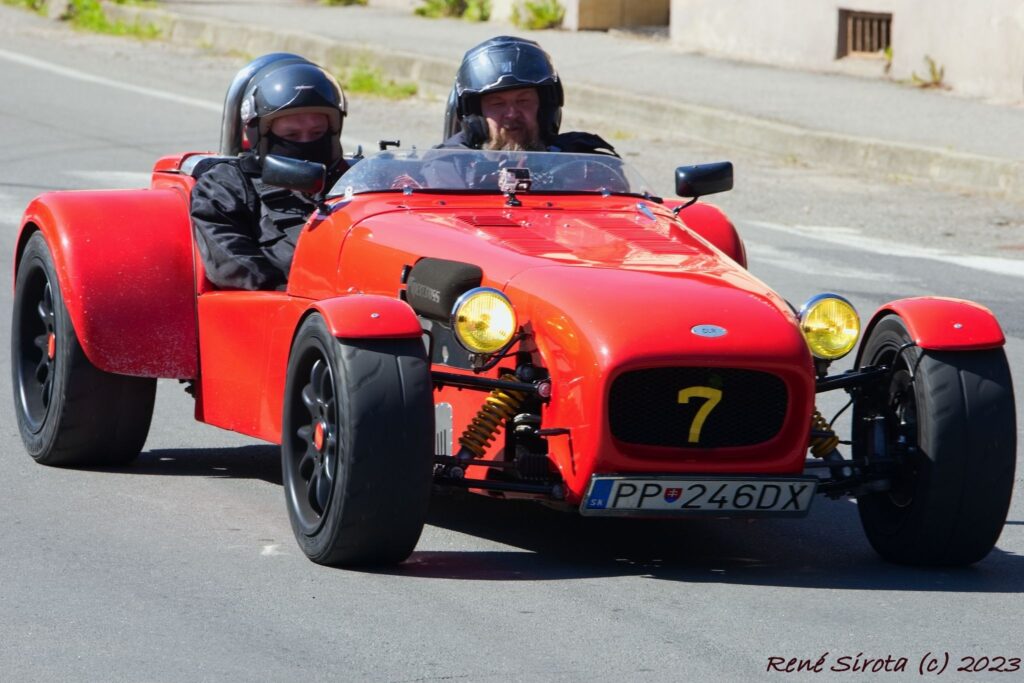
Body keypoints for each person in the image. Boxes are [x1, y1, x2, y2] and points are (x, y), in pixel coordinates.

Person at [191, 59, 349, 290]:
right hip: (284, 302)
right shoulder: (225, 185)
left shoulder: (352, 181)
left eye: (317, 132)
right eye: (292, 135)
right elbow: (232, 265)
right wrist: (290, 294)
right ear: (260, 133)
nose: (306, 143)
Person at [440, 35, 617, 156]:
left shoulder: (583, 166)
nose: (512, 114)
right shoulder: (446, 170)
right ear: (476, 116)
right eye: (497, 104)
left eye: (523, 101)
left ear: (545, 108)